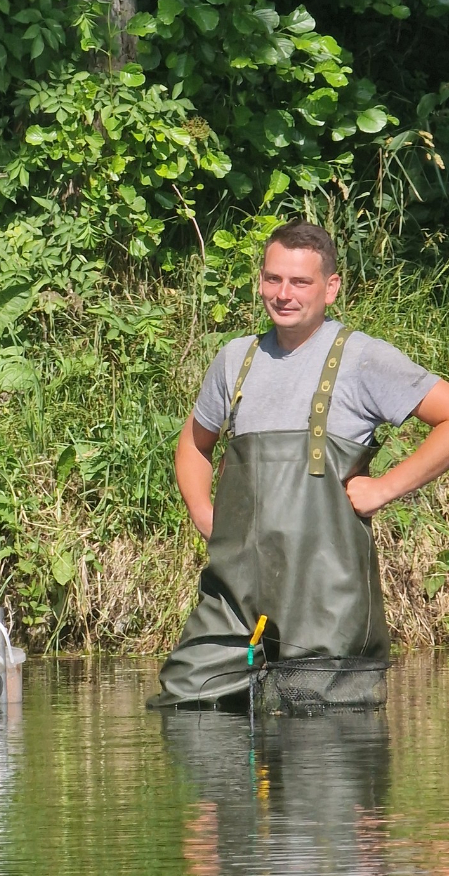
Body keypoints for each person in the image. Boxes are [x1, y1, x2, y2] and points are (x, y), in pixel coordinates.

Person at [149, 221, 449, 709]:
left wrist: (385, 488)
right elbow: (193, 444)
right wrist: (205, 514)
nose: (283, 294)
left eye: (299, 282)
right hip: (234, 597)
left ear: (330, 288)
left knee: (322, 738)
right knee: (186, 703)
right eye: (273, 279)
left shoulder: (363, 358)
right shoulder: (235, 359)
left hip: (326, 604)